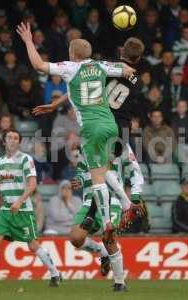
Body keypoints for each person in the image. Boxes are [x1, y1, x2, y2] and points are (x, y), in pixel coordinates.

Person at [17, 22, 134, 291]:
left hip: (91, 128)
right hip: (109, 125)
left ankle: (111, 218)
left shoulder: (71, 67)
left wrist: (27, 41)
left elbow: (38, 65)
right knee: (102, 176)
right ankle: (117, 213)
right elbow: (127, 71)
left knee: (97, 180)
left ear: (73, 54)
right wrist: (129, 68)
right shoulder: (102, 66)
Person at [0, 129, 61, 287]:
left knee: (32, 245)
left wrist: (20, 201)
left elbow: (33, 184)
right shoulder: (0, 161)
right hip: (6, 209)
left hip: (23, 210)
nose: (13, 140)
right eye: (10, 137)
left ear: (19, 142)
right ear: (4, 142)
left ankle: (55, 272)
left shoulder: (25, 159)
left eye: (16, 138)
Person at [69, 148, 124, 290]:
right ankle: (102, 252)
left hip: (112, 201)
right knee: (76, 238)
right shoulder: (85, 152)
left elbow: (107, 171)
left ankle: (119, 282)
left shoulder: (114, 147)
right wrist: (79, 180)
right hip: (89, 200)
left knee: (109, 239)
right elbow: (81, 173)